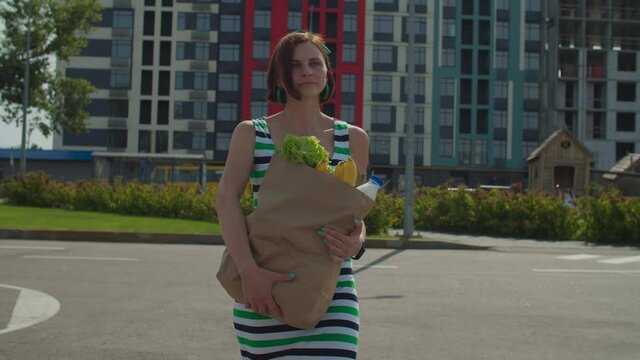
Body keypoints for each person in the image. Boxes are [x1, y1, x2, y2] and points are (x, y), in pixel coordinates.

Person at [215, 31, 369, 359]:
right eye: (295, 65)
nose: (306, 71)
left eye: (315, 63)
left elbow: (354, 214)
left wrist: (357, 244)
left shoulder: (353, 139)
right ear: (280, 77)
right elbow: (226, 202)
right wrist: (248, 273)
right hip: (264, 283)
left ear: (327, 71)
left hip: (332, 291)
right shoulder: (251, 133)